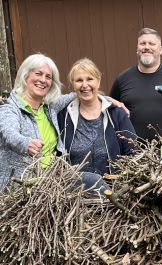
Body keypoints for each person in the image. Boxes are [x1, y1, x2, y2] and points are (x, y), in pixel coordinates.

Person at [56, 58, 135, 193]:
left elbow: (133, 152)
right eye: (79, 80)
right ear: (73, 85)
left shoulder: (116, 114)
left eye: (89, 79)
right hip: (74, 196)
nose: (85, 85)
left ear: (98, 80)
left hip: (113, 195)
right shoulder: (64, 116)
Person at [0, 53, 65, 195]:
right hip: (17, 190)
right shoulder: (8, 108)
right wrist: (26, 143)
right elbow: (9, 133)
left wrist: (111, 101)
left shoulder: (49, 108)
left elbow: (79, 94)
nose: (43, 80)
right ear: (25, 76)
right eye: (38, 74)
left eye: (48, 77)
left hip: (49, 187)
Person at [109, 27, 162, 144]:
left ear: (160, 50)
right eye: (142, 43)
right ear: (137, 49)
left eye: (152, 44)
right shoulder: (123, 79)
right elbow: (112, 111)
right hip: (132, 152)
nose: (147, 47)